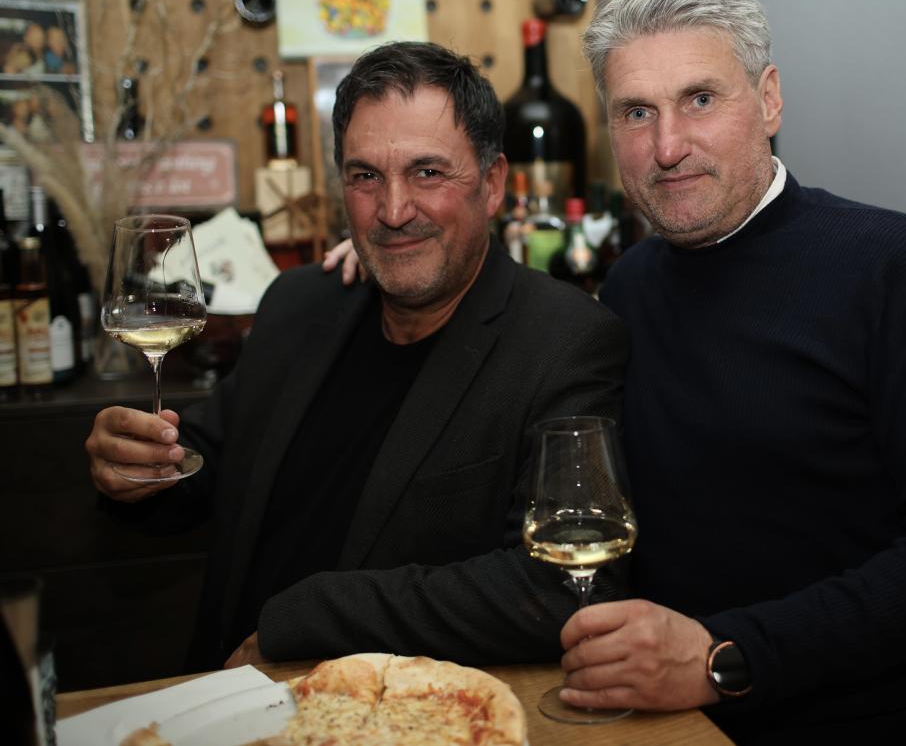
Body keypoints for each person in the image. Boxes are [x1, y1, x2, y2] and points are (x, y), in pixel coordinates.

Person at [553, 0, 906, 744]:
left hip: (875, 723)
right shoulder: (632, 284)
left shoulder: (898, 269)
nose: (667, 146)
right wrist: (395, 267)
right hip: (675, 721)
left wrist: (725, 655)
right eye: (637, 112)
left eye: (699, 99)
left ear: (769, 99)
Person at [85, 41, 627, 672]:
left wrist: (302, 622)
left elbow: (559, 588)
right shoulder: (299, 304)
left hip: (394, 708)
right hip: (224, 690)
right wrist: (138, 468)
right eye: (366, 176)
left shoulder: (563, 342)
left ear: (492, 184)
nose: (393, 211)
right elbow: (216, 469)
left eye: (428, 173)